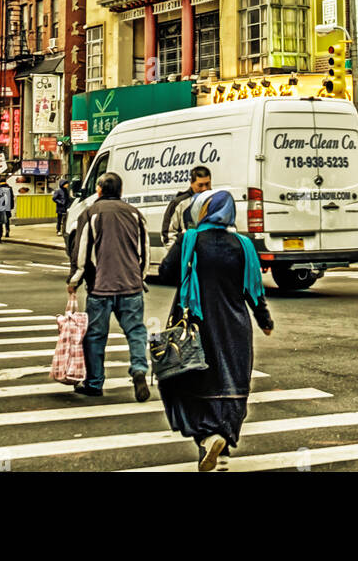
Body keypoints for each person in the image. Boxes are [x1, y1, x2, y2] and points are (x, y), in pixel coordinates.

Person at [157, 189, 273, 471]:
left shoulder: (190, 240)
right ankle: (222, 441)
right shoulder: (243, 245)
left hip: (197, 325)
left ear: (202, 211)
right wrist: (265, 321)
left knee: (190, 382)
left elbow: (165, 271)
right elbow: (254, 292)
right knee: (232, 386)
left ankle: (206, 438)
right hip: (235, 328)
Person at [66, 171, 150, 402]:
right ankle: (139, 369)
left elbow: (81, 252)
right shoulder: (134, 214)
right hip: (131, 285)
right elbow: (144, 251)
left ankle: (94, 383)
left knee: (95, 336)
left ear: (99, 190)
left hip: (100, 286)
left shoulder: (91, 213)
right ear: (121, 191)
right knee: (136, 331)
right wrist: (139, 276)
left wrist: (74, 280)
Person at [162, 165, 212, 247]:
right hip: (187, 256)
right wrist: (178, 255)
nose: (204, 188)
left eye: (207, 184)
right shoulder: (179, 203)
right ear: (191, 183)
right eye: (200, 185)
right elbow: (168, 235)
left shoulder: (217, 201)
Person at [0, 175, 15, 242]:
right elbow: (11, 198)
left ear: (0, 181)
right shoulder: (9, 188)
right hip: (7, 206)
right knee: (5, 220)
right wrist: (11, 206)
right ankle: (6, 232)